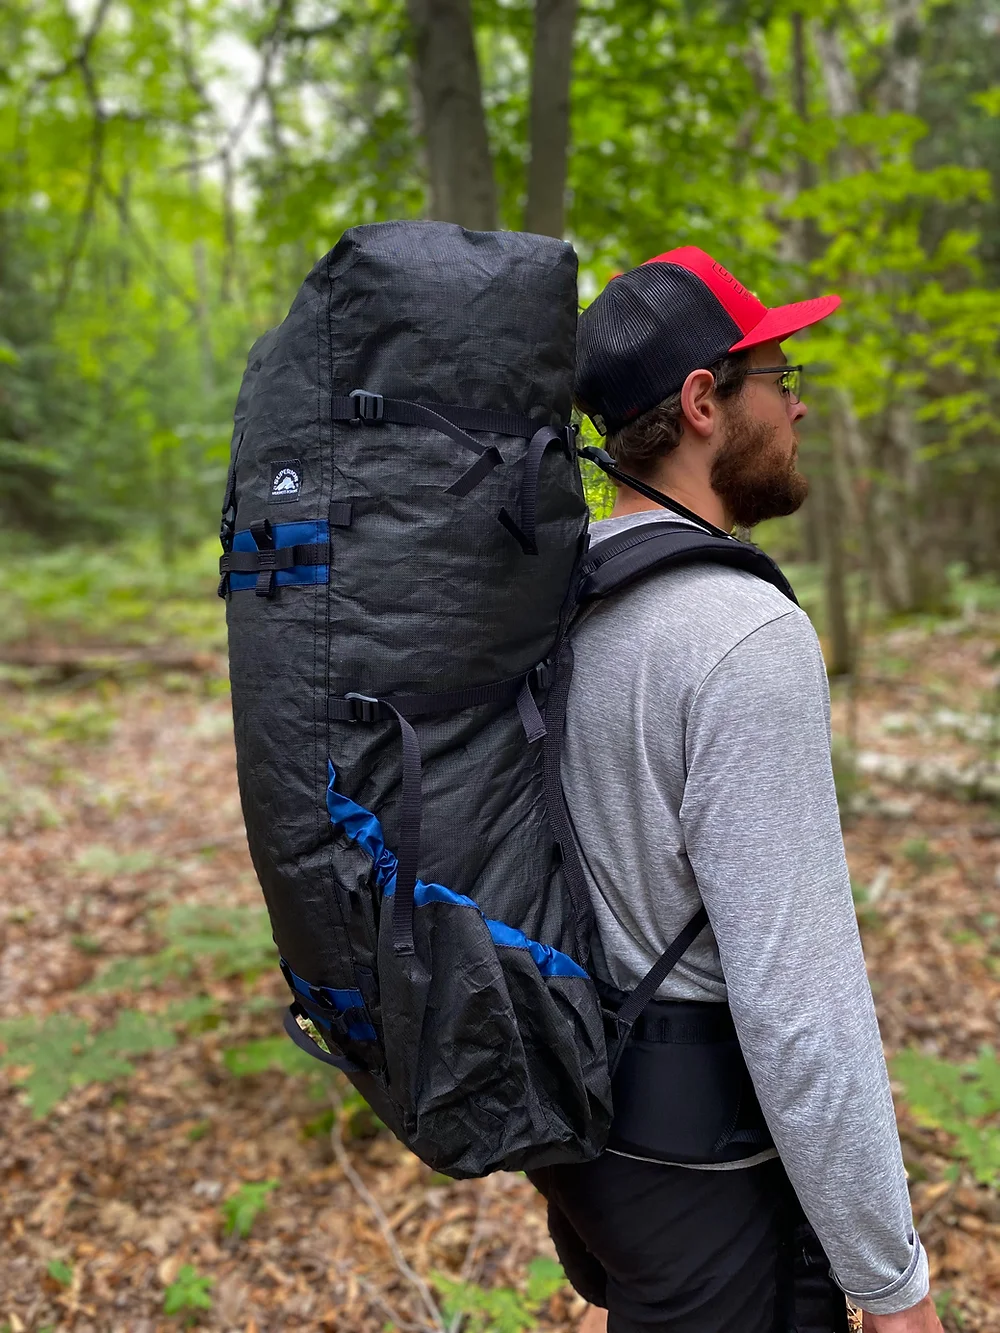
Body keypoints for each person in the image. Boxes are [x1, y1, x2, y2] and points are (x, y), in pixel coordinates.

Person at [527, 248, 943, 1333]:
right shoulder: (739, 633)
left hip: (595, 1139)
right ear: (706, 401)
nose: (797, 407)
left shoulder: (557, 596)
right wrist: (890, 1282)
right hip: (713, 1168)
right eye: (780, 378)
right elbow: (800, 1002)